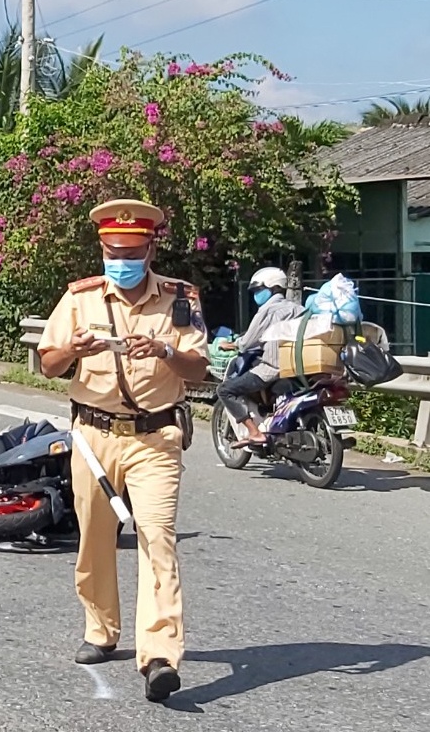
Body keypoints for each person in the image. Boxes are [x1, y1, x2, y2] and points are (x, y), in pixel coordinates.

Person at [36, 198, 209, 703]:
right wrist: (75, 351)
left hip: (156, 438)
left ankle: (159, 655)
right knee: (94, 537)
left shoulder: (179, 299)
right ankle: (101, 628)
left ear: (151, 247)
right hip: (93, 437)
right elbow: (47, 364)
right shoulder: (80, 299)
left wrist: (166, 351)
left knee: (158, 539)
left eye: (132, 250)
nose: (121, 259)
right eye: (113, 250)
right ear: (102, 247)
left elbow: (198, 370)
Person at [215, 267, 304, 446]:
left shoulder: (268, 310)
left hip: (273, 368)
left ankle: (254, 432)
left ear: (272, 287)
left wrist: (232, 344)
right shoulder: (299, 309)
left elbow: (248, 342)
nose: (256, 295)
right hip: (299, 368)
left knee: (225, 390)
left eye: (258, 290)